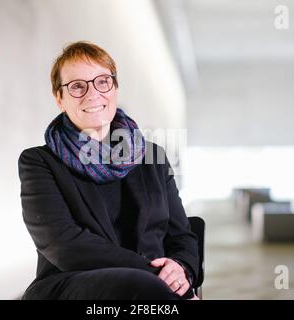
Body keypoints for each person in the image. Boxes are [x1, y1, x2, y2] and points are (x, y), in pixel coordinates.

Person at [18, 41, 199, 300]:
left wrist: (181, 269)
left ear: (114, 87)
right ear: (60, 99)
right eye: (77, 86)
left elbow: (182, 235)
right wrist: (156, 275)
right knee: (143, 288)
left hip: (153, 290)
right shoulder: (40, 162)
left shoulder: (152, 157)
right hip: (73, 284)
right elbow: (64, 245)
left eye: (102, 82)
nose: (92, 94)